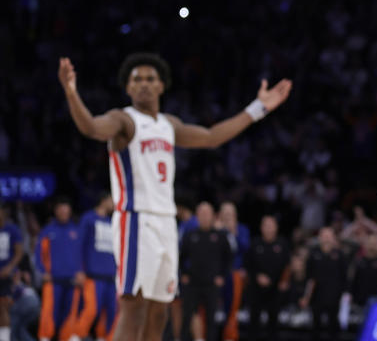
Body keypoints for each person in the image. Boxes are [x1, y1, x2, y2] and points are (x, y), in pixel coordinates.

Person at [56, 53, 292, 341]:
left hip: (166, 224)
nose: (143, 84)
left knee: (159, 311)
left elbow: (211, 136)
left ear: (162, 86)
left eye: (150, 79)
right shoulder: (124, 120)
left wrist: (258, 108)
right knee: (133, 307)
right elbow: (92, 127)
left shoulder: (170, 125)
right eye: (136, 79)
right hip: (136, 220)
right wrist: (71, 93)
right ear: (128, 88)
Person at [178, 202, 231, 341]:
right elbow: (181, 257)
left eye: (207, 214)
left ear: (213, 216)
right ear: (197, 216)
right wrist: (183, 274)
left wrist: (222, 276)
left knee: (211, 319)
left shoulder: (220, 236)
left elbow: (229, 258)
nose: (205, 217)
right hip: (193, 283)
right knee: (187, 316)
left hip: (212, 283)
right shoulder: (190, 235)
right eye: (201, 214)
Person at [34, 197, 83, 341]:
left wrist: (81, 272)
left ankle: (66, 337)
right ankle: (45, 337)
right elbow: (38, 254)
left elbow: (82, 254)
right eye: (60, 209)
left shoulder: (76, 231)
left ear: (70, 211)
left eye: (66, 209)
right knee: (49, 312)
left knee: (70, 313)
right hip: (53, 280)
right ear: (56, 211)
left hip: (72, 280)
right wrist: (43, 272)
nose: (63, 212)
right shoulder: (48, 231)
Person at [74, 193, 117, 341]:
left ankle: (105, 337)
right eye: (113, 200)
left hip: (111, 275)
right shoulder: (89, 218)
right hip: (93, 274)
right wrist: (79, 269)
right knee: (92, 309)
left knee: (112, 311)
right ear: (104, 200)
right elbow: (79, 245)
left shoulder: (114, 221)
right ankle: (76, 336)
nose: (115, 203)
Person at [244, 215, 290, 341]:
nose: (268, 228)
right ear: (261, 228)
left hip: (275, 289)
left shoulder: (282, 244)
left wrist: (284, 281)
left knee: (273, 321)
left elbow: (287, 265)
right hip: (257, 288)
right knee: (254, 321)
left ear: (276, 228)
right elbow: (248, 265)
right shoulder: (255, 243)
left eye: (271, 225)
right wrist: (257, 276)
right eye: (266, 225)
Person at [216, 202, 249, 341]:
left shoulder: (241, 229)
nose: (228, 216)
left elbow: (246, 249)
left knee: (232, 309)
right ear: (220, 214)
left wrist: (233, 231)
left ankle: (230, 337)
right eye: (225, 213)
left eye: (231, 213)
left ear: (235, 215)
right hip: (216, 275)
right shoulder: (214, 229)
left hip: (234, 273)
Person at [0, 204, 25, 341]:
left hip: (6, 274)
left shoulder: (12, 229)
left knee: (3, 307)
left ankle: (4, 338)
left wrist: (9, 268)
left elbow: (19, 252)